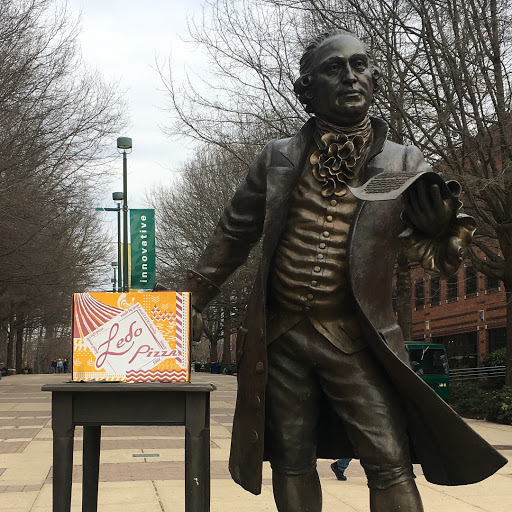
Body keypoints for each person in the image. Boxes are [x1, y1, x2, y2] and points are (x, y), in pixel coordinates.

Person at [182, 29, 507, 512]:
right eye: (334, 69)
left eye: (360, 65)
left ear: (374, 78)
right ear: (307, 89)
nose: (351, 77)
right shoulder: (276, 157)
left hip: (357, 337)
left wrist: (439, 229)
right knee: (290, 459)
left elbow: (438, 252)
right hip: (282, 338)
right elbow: (233, 234)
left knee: (389, 459)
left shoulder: (404, 160)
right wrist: (187, 300)